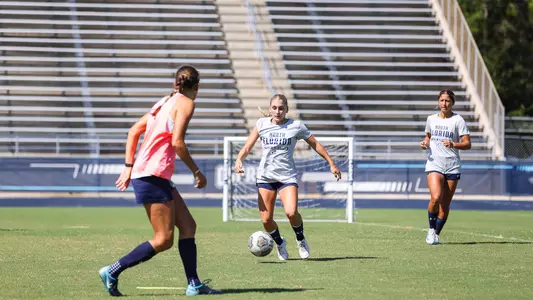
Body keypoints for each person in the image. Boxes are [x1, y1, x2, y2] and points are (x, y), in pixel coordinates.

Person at [98, 65, 222, 296]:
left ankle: (194, 284)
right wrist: (197, 171)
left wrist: (128, 168)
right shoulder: (185, 103)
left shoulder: (164, 102)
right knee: (164, 239)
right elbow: (177, 143)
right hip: (151, 175)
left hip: (152, 174)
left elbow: (134, 131)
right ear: (197, 87)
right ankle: (113, 270)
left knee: (188, 226)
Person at [234, 94, 341, 260]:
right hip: (265, 177)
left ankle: (300, 239)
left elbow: (316, 144)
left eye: (281, 108)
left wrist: (331, 163)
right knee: (266, 220)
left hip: (287, 177)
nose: (278, 111)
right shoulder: (261, 124)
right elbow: (248, 146)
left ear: (287, 110)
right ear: (270, 109)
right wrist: (239, 159)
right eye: (275, 108)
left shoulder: (296, 126)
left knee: (291, 212)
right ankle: (279, 242)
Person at [420, 89, 471, 245]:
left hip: (452, 166)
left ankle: (436, 234)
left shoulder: (458, 120)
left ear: (452, 103)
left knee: (445, 205)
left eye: (447, 101)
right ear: (438, 101)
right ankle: (430, 230)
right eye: (442, 100)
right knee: (435, 197)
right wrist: (425, 143)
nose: (444, 103)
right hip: (434, 163)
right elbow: (428, 137)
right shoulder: (431, 119)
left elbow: (468, 144)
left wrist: (454, 144)